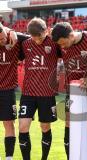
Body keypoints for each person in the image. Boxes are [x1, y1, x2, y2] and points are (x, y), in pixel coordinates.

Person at [51, 22, 87, 160]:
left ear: (71, 35)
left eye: (63, 43)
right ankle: (70, 157)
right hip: (73, 91)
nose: (62, 47)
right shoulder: (60, 43)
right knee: (69, 121)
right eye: (60, 45)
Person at [18, 18, 61, 160]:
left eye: (40, 37)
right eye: (34, 38)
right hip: (28, 93)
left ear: (46, 30)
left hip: (47, 94)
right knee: (23, 127)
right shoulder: (25, 44)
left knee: (45, 127)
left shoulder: (55, 44)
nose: (37, 41)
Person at [0, 23, 28, 160]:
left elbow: (36, 37)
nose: (2, 41)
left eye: (3, 37)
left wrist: (13, 32)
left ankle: (9, 158)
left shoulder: (17, 39)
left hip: (7, 90)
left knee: (9, 124)